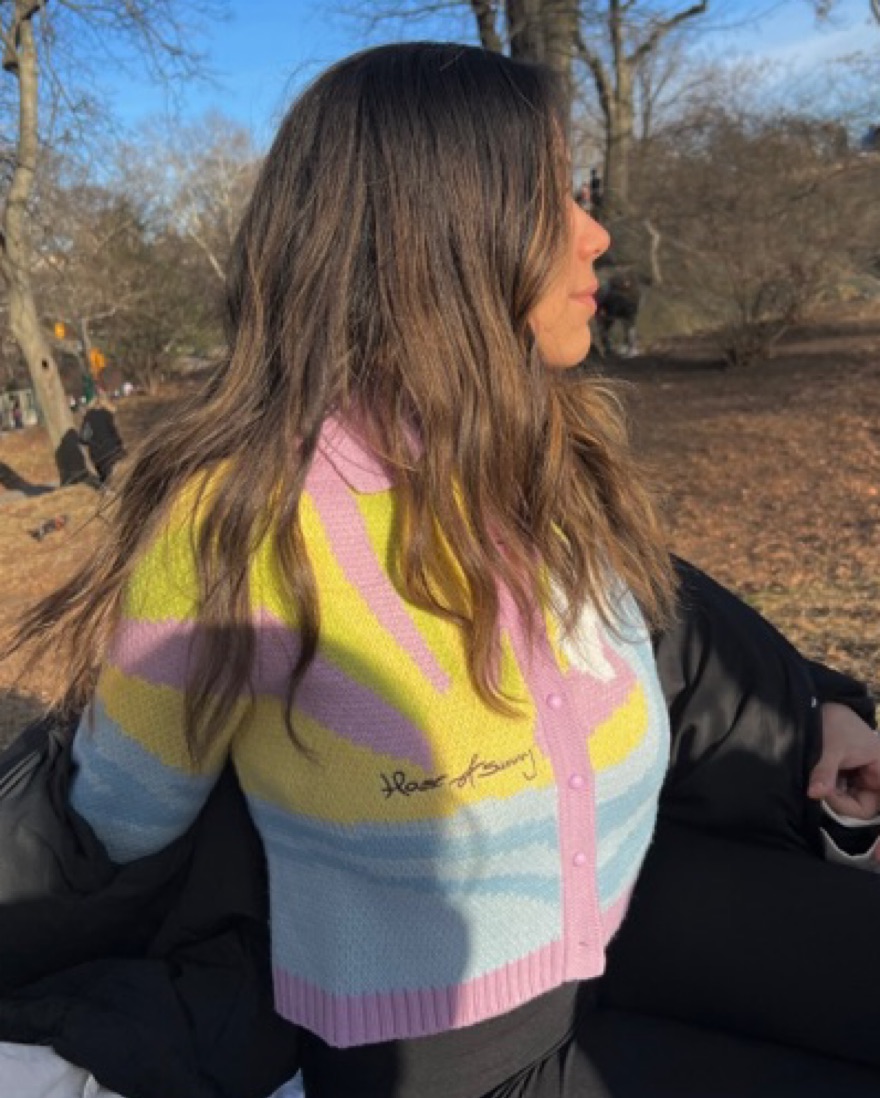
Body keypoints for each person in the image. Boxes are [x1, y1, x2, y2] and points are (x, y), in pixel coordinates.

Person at [4, 42, 880, 1098]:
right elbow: (109, 824)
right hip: (455, 1061)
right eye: (554, 198)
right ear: (440, 238)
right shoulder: (237, 526)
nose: (596, 232)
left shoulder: (536, 456)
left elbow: (666, 633)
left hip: (629, 913)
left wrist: (815, 712)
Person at [79, 390, 125, 483]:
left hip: (97, 455)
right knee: (119, 479)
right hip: (113, 451)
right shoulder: (109, 414)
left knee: (106, 480)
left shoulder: (88, 417)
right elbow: (117, 432)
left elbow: (83, 438)